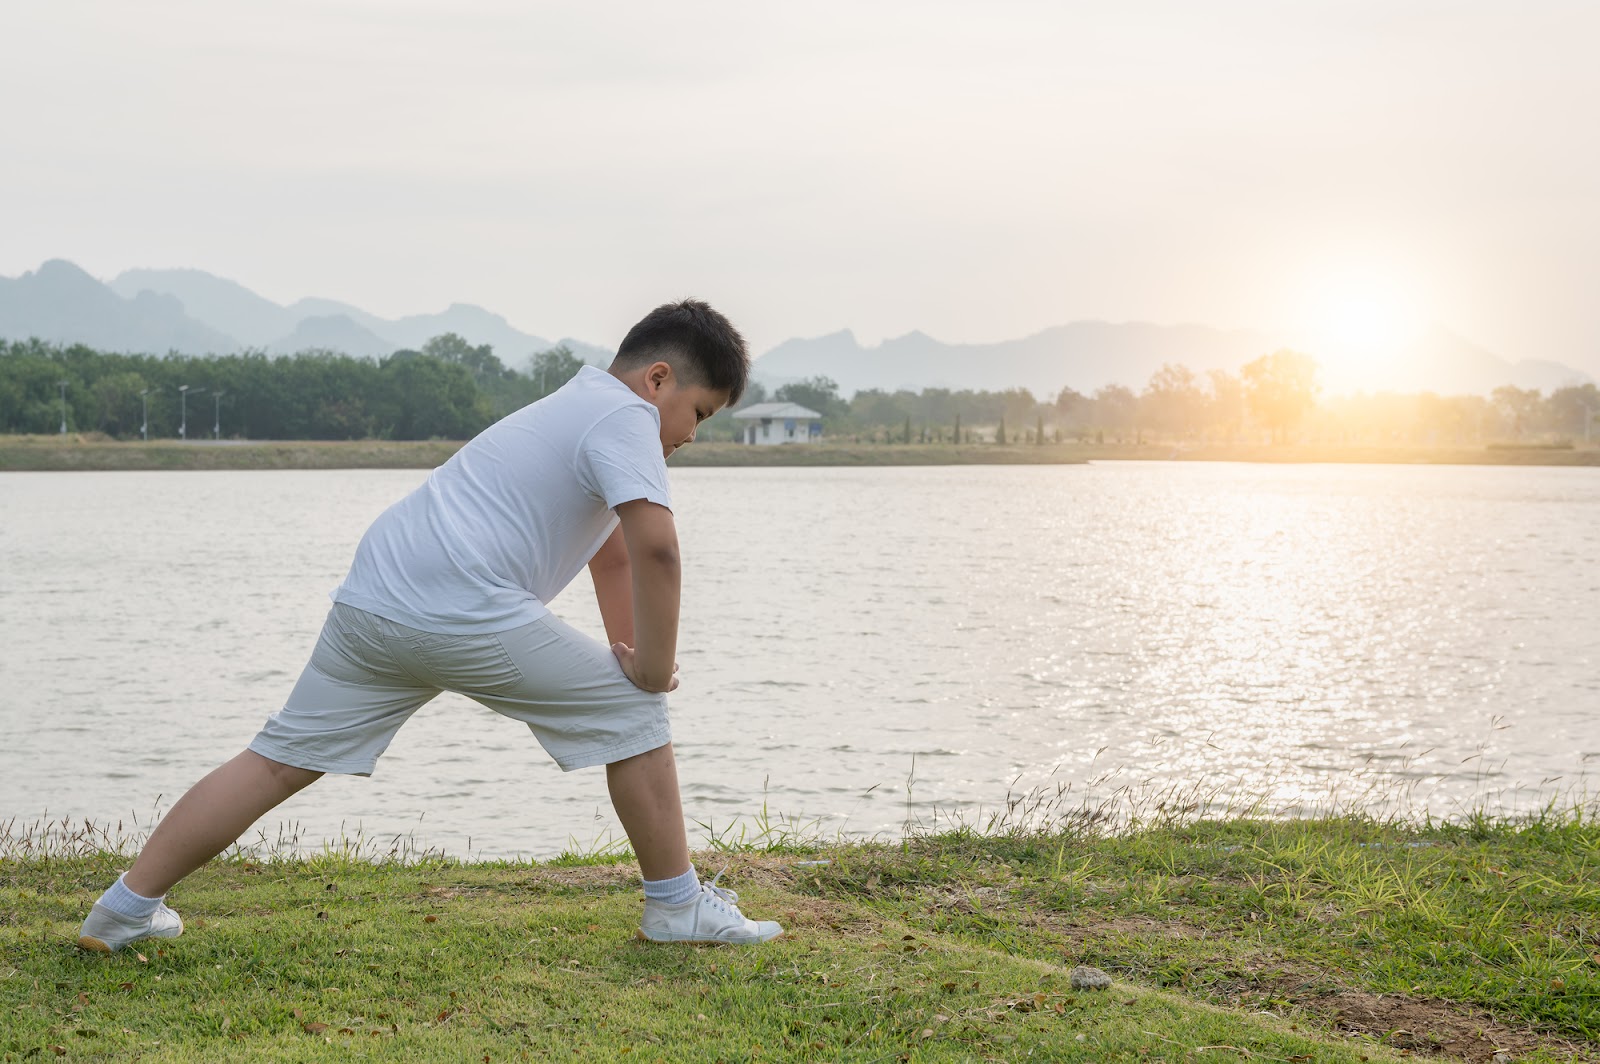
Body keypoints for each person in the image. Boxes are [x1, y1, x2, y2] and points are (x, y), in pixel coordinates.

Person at [77, 299, 782, 951]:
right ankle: (675, 905)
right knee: (636, 711)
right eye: (701, 412)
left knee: (278, 760)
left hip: (376, 594)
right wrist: (651, 673)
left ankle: (124, 907)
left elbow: (616, 562)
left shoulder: (574, 407)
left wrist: (630, 650)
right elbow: (656, 547)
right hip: (458, 602)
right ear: (658, 380)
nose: (692, 434)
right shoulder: (624, 419)